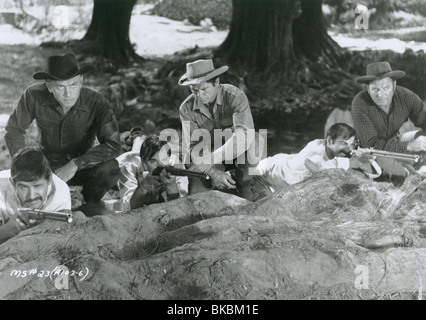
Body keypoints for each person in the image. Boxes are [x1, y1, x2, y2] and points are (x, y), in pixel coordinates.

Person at [5, 52, 121, 209]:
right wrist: (30, 165)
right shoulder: (33, 95)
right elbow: (14, 130)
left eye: (73, 85)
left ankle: (89, 206)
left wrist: (76, 164)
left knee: (110, 169)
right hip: (45, 165)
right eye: (60, 86)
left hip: (83, 165)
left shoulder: (97, 102)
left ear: (81, 82)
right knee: (23, 192)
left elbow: (113, 145)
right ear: (49, 86)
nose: (68, 94)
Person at [178, 59, 262, 200]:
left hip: (238, 148)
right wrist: (213, 172)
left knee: (256, 142)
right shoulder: (185, 109)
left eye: (204, 89)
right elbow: (193, 148)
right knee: (197, 193)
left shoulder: (236, 96)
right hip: (209, 151)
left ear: (216, 83)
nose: (199, 95)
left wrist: (211, 159)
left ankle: (243, 183)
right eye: (194, 91)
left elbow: (243, 136)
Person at [254, 123, 381, 192]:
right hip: (266, 169)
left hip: (279, 182)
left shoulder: (334, 150)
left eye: (350, 144)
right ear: (330, 141)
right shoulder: (315, 149)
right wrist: (351, 162)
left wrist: (363, 160)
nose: (348, 149)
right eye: (343, 143)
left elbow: (373, 173)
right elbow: (320, 170)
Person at [351, 61, 426, 176]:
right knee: (403, 175)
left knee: (421, 137)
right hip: (372, 152)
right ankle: (408, 171)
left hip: (397, 142)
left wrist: (416, 142)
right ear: (368, 88)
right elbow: (372, 144)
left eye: (386, 88)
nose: (380, 95)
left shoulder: (407, 97)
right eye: (375, 89)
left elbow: (423, 120)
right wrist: (410, 146)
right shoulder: (360, 103)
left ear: (394, 85)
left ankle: (412, 165)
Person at [0, 147, 71, 245]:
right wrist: (6, 230)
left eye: (37, 186)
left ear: (49, 179)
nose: (32, 196)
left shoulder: (60, 193)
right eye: (23, 187)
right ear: (13, 183)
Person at [117, 135, 188, 212]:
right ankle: (137, 137)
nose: (161, 165)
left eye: (164, 159)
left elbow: (181, 206)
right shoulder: (128, 166)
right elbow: (128, 208)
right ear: (144, 162)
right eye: (153, 161)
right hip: (118, 167)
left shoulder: (175, 165)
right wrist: (143, 187)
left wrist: (172, 187)